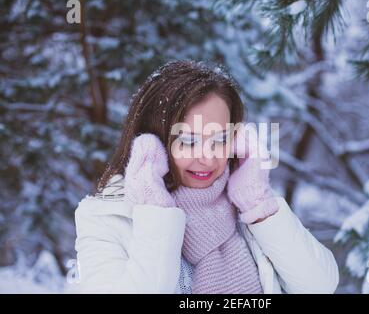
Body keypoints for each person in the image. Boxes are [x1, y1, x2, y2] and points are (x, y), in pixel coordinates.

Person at [74, 60, 339, 294]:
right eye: (188, 141)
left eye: (220, 139)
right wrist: (153, 209)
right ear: (153, 142)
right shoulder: (105, 218)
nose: (208, 158)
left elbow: (320, 286)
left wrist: (258, 206)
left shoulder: (245, 202)